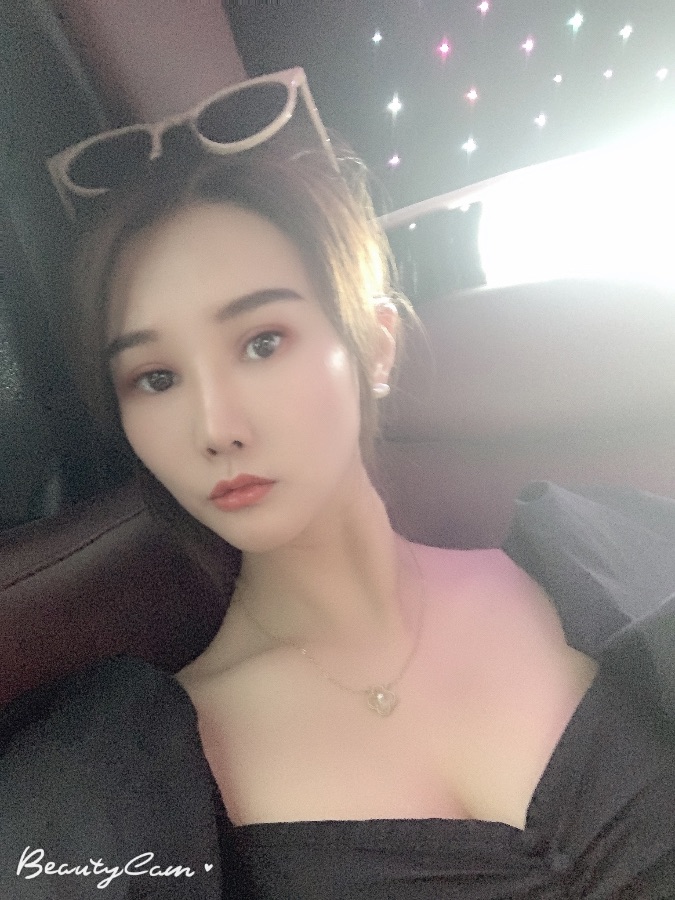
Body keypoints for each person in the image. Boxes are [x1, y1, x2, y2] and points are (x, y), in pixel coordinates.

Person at [1, 68, 674, 900]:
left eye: (262, 342)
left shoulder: (604, 554)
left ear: (374, 344)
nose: (216, 426)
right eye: (156, 378)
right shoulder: (124, 792)